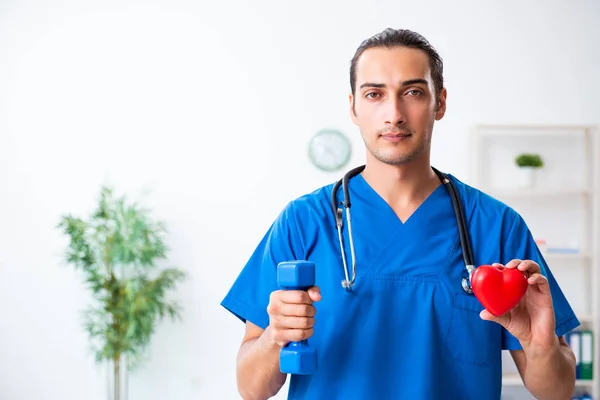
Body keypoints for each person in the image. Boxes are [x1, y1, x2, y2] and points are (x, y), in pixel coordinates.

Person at [220, 28, 579, 400]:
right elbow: (251, 388)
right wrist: (274, 338)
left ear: (439, 103)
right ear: (353, 107)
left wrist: (541, 348)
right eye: (374, 94)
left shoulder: (496, 227)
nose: (393, 114)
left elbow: (558, 390)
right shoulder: (303, 222)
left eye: (413, 92)